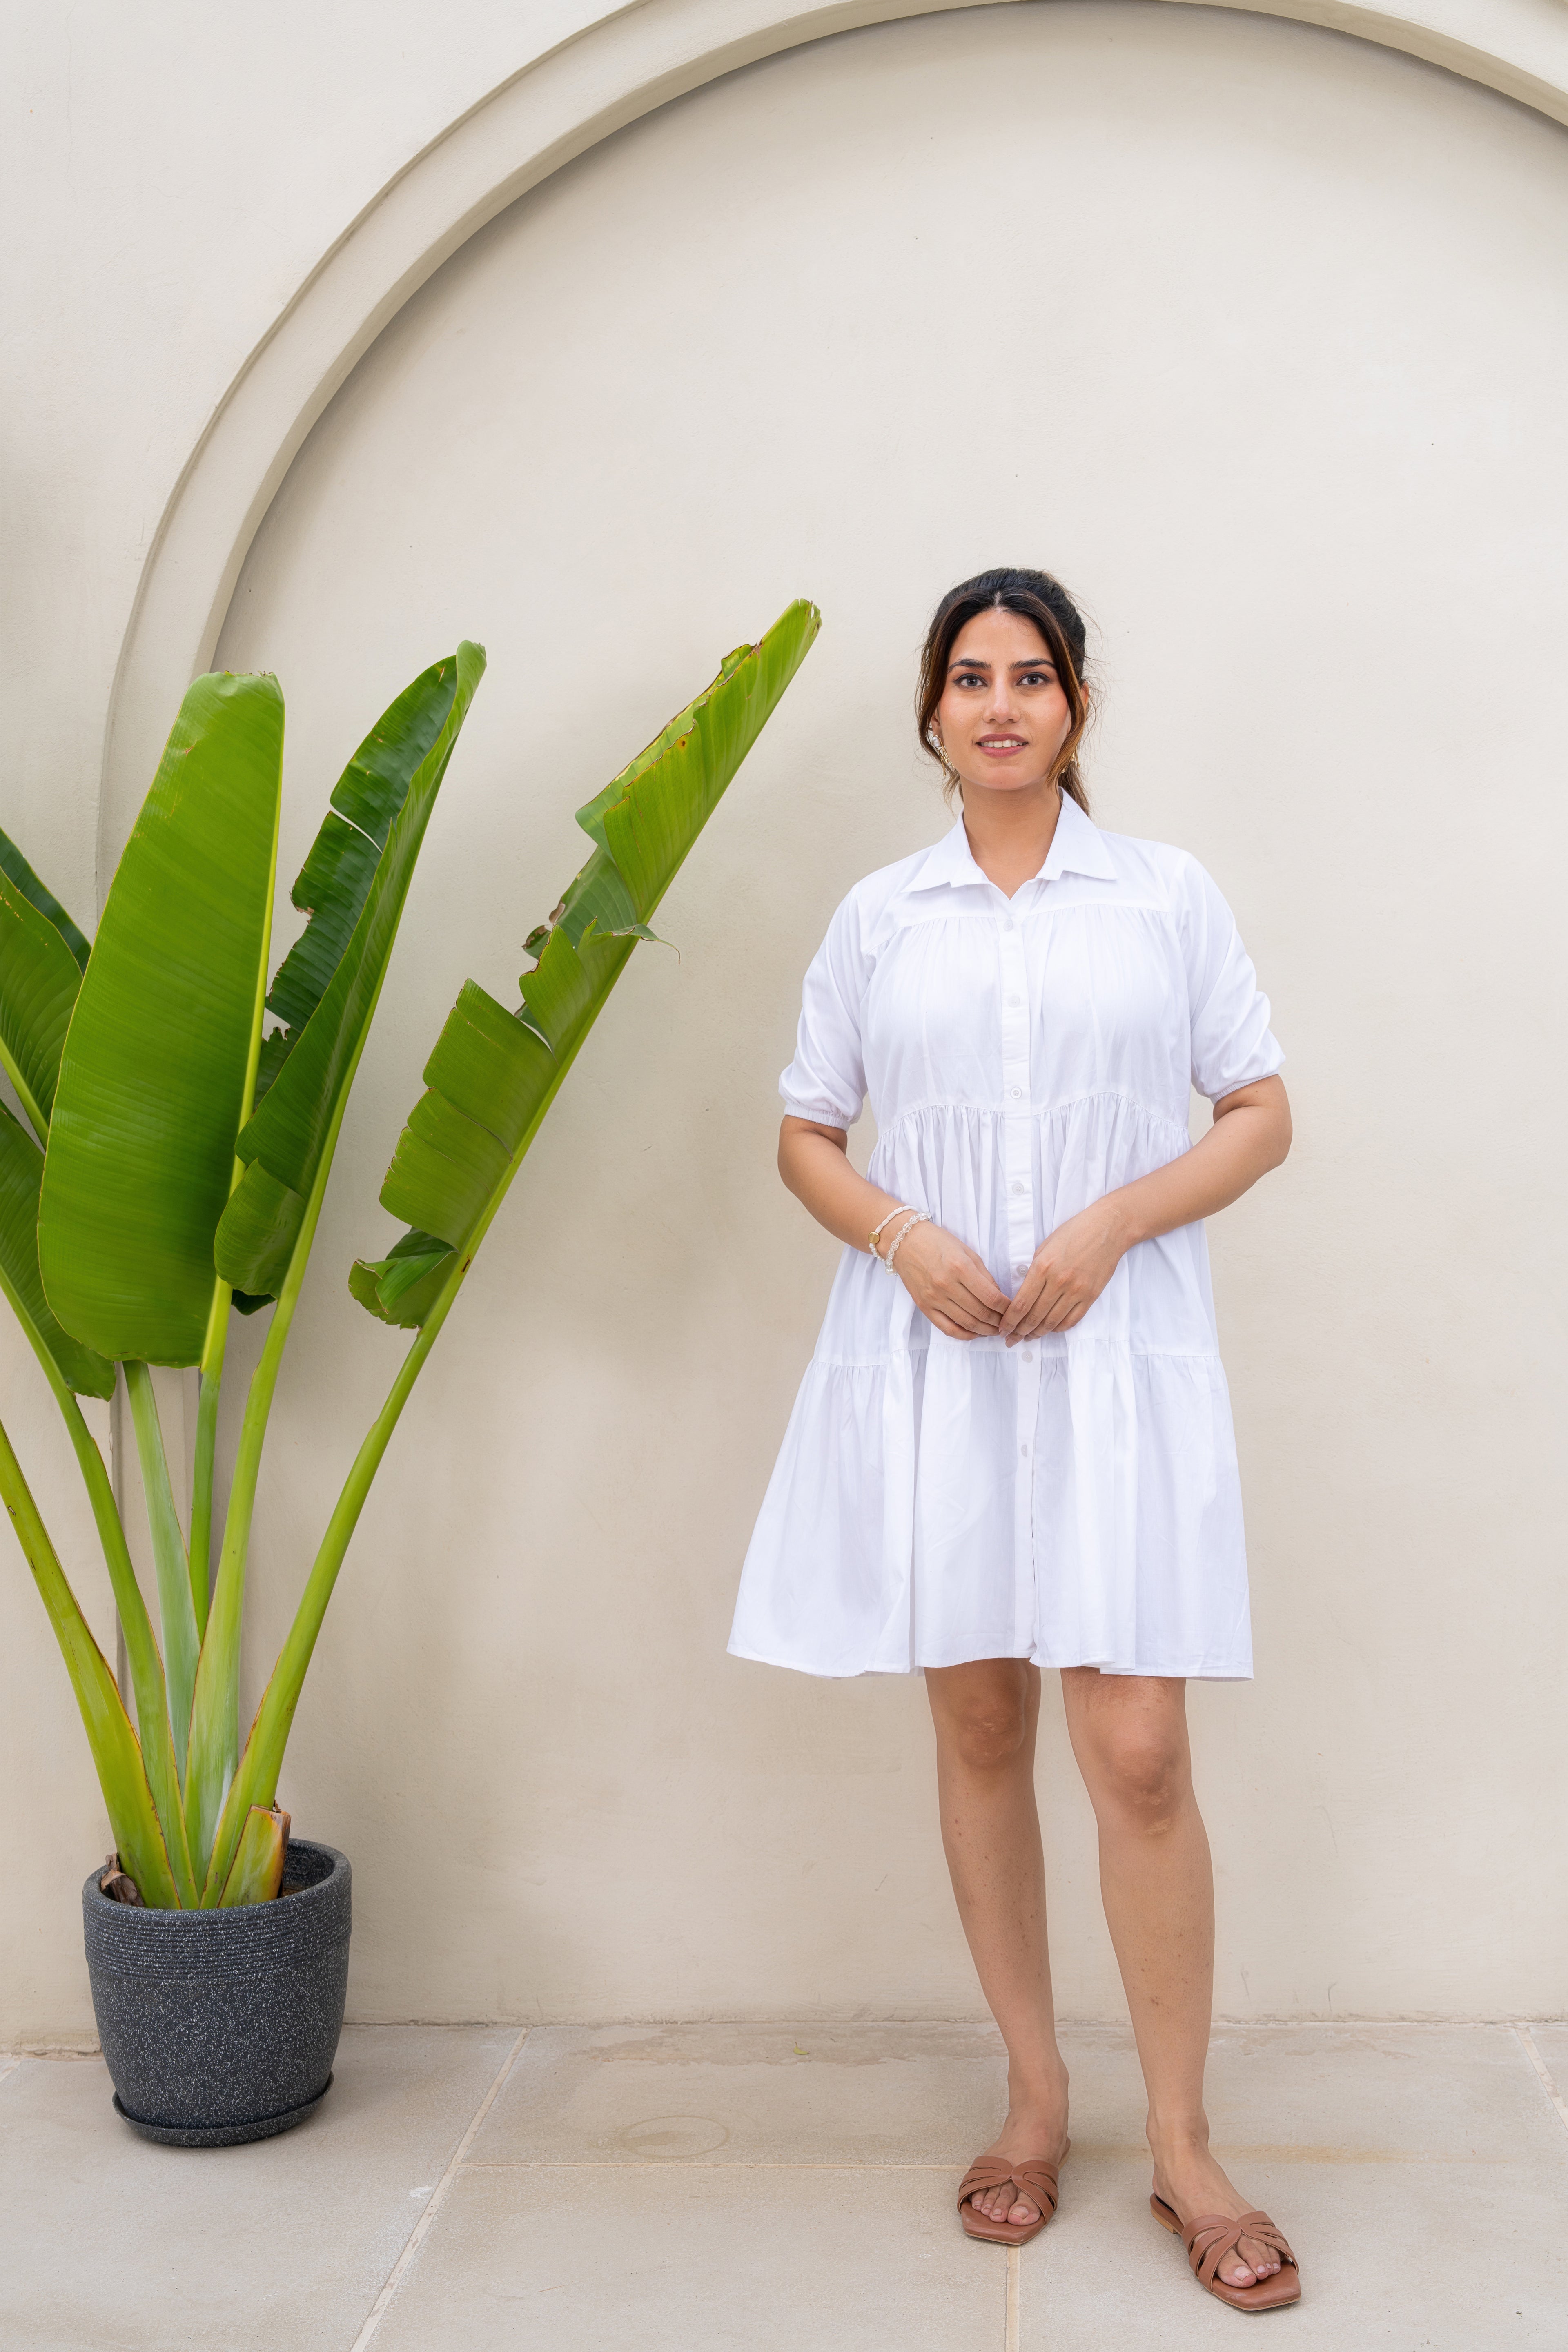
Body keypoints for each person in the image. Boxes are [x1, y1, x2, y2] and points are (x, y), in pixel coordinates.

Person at [729, 568, 1299, 2312]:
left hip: (1117, 1361)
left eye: (1031, 677)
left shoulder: (1164, 898)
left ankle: (1185, 2144)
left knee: (1139, 1751)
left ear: (1075, 707)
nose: (1000, 705)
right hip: (944, 1362)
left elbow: (1261, 1111)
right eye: (970, 678)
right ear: (934, 711)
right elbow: (807, 1133)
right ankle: (1036, 2100)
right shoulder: (881, 917)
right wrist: (903, 1237)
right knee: (981, 1720)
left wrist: (1114, 1224)